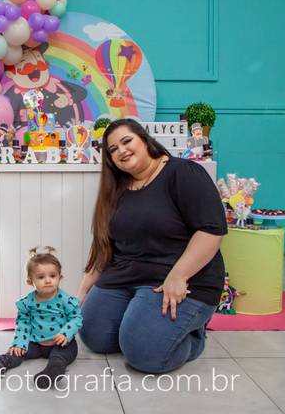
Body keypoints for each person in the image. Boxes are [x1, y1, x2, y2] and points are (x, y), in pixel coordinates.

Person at [77, 118, 227, 373]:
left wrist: (179, 275)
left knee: (144, 354)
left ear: (145, 140)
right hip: (124, 275)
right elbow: (104, 244)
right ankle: (140, 322)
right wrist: (82, 293)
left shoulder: (183, 173)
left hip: (175, 277)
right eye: (113, 150)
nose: (121, 151)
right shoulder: (117, 189)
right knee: (94, 336)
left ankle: (193, 338)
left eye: (127, 141)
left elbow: (211, 230)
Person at [0, 246, 82, 389]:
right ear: (30, 281)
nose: (48, 280)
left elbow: (76, 318)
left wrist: (65, 334)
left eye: (52, 276)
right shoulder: (28, 302)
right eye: (41, 277)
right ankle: (1, 362)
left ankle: (53, 371)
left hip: (61, 343)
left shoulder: (65, 300)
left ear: (59, 278)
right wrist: (19, 343)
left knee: (60, 356)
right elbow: (23, 323)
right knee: (17, 352)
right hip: (36, 343)